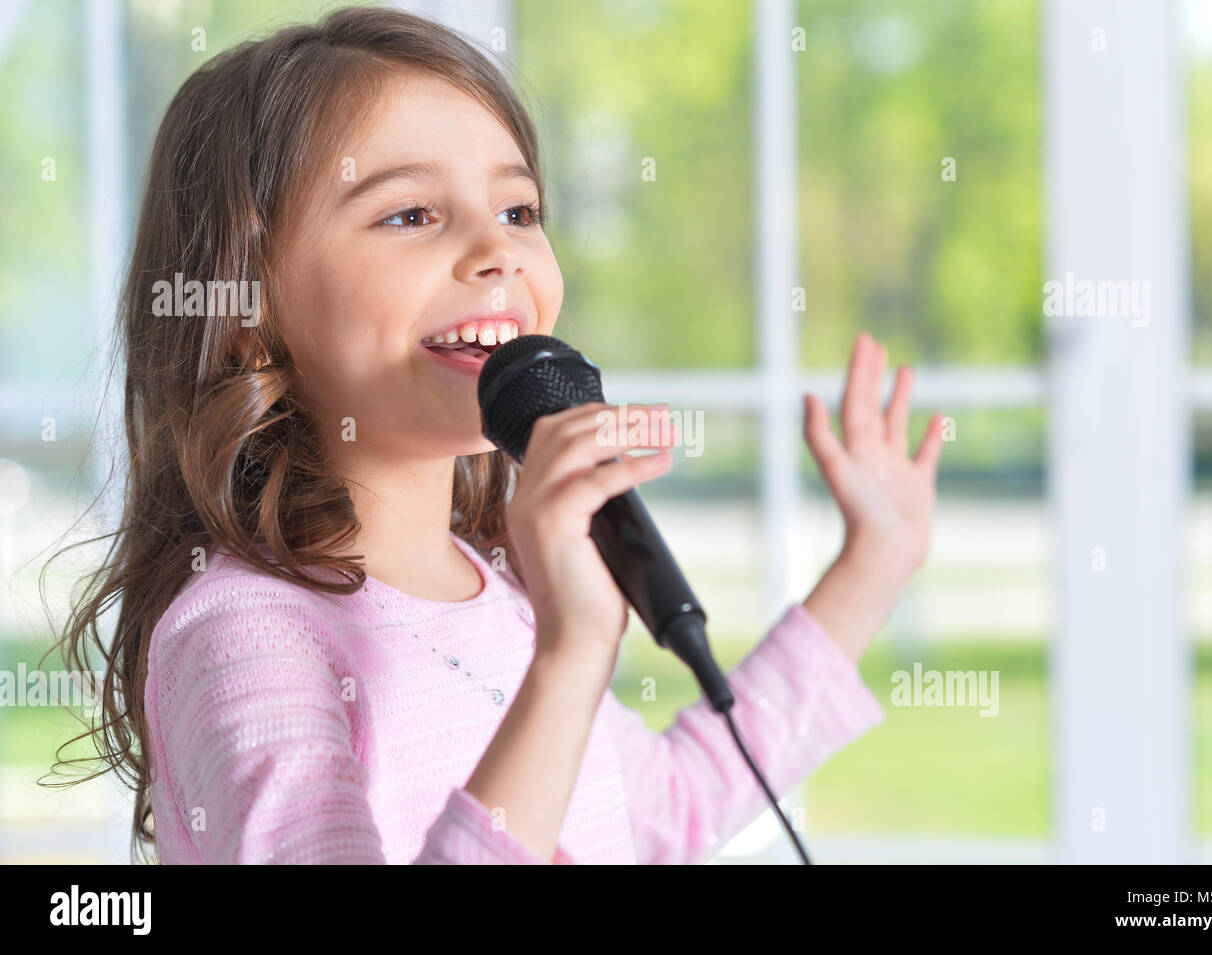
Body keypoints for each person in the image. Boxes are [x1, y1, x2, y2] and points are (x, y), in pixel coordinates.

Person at [48, 5, 945, 864]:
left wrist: (877, 560)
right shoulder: (247, 630)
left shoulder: (507, 594)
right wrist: (570, 656)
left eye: (518, 211)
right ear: (248, 311)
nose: (498, 251)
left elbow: (661, 812)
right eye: (410, 215)